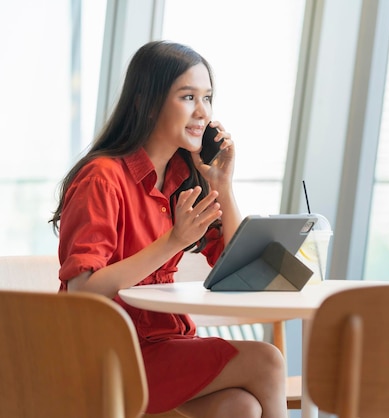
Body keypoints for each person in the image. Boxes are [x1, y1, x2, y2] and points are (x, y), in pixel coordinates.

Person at [50, 40, 288, 418]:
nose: (202, 112)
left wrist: (223, 186)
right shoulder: (102, 179)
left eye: (207, 98)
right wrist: (172, 241)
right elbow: (83, 292)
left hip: (165, 346)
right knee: (267, 361)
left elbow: (242, 267)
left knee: (238, 407)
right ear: (146, 102)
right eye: (188, 97)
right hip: (111, 357)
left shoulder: (183, 180)